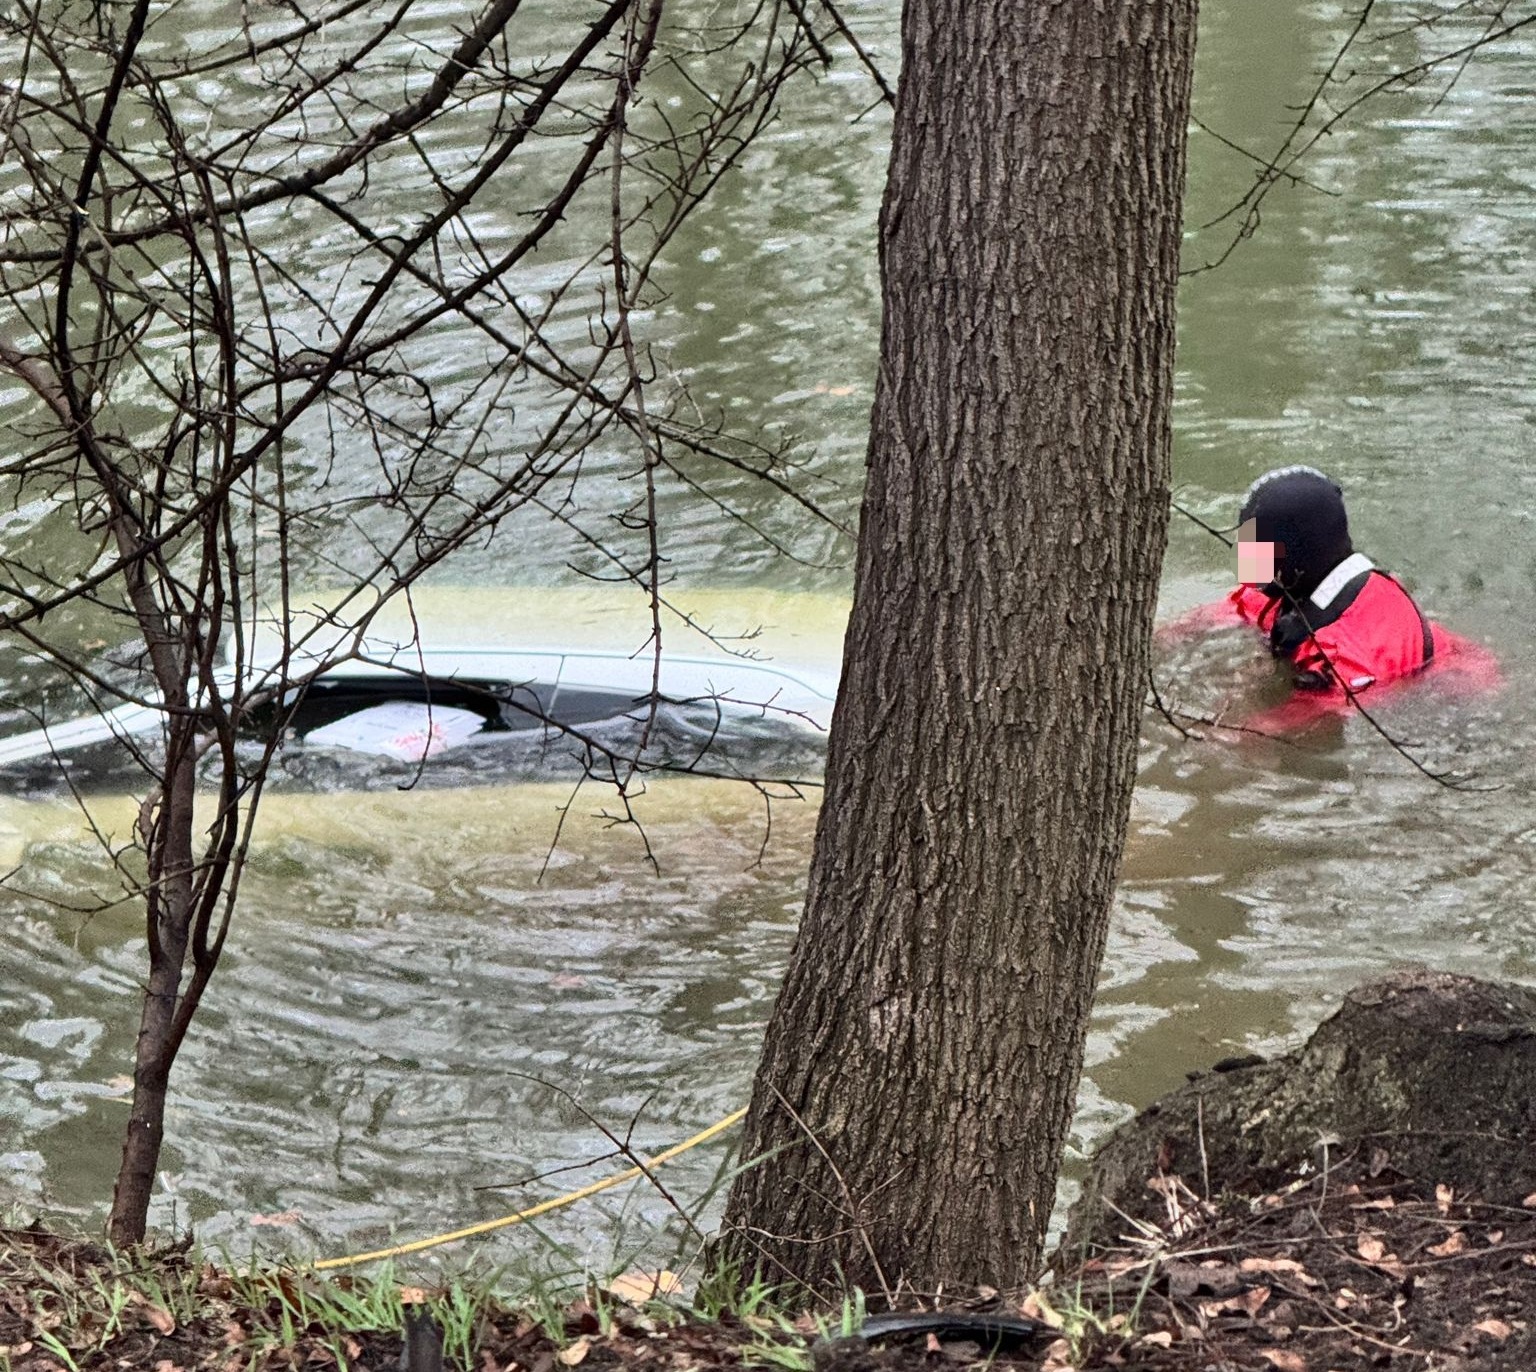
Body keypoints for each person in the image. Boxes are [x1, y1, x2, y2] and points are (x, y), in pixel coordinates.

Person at [1167, 465, 1494, 704]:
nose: (1244, 562)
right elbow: (1230, 610)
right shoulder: (1292, 585)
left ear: (1294, 557)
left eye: (1255, 548)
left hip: (1435, 695)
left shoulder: (1342, 656)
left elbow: (1300, 727)